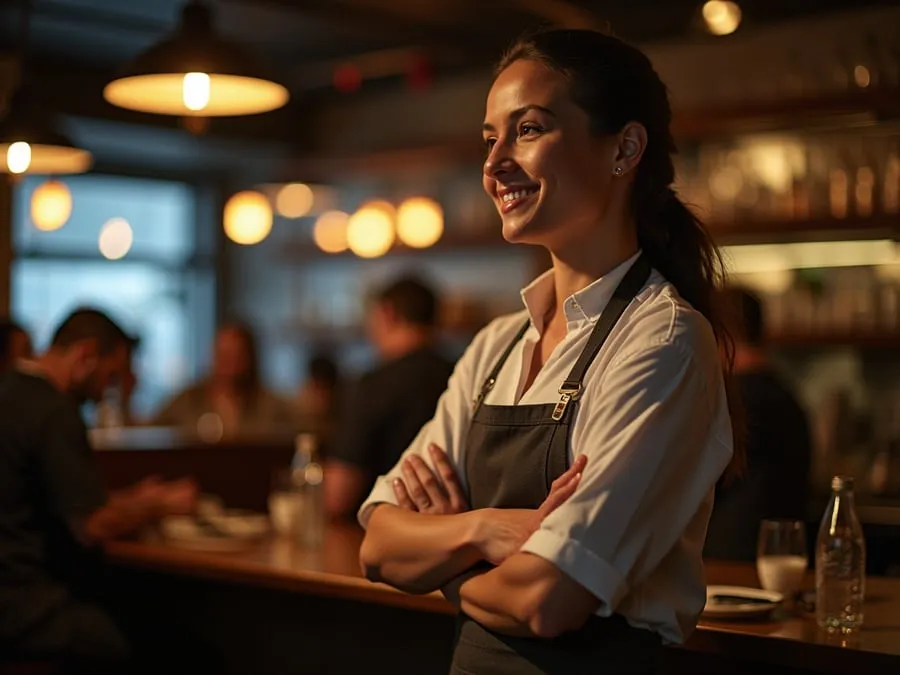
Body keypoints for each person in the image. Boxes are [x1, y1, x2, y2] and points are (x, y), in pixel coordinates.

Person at [357, 29, 744, 674]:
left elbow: (547, 598)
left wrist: (443, 565)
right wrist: (484, 529)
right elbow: (377, 545)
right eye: (490, 139)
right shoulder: (495, 346)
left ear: (624, 148)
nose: (494, 163)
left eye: (528, 130)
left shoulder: (663, 342)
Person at [0, 308, 197, 672]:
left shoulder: (10, 389)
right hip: (30, 608)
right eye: (109, 376)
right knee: (178, 644)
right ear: (85, 354)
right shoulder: (54, 410)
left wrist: (137, 498)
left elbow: (52, 500)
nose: (104, 392)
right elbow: (94, 525)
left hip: (12, 601)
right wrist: (163, 505)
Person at [324, 275, 455, 520]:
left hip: (379, 531)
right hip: (452, 529)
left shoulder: (373, 384)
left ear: (388, 313)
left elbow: (339, 495)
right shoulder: (461, 375)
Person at [704, 287, 812, 562]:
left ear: (719, 330)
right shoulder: (783, 392)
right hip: (774, 557)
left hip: (736, 563)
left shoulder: (739, 399)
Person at [152, 321, 294, 438]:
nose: (229, 363)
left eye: (236, 355)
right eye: (223, 354)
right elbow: (150, 432)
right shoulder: (188, 400)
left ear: (249, 358)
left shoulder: (269, 405)